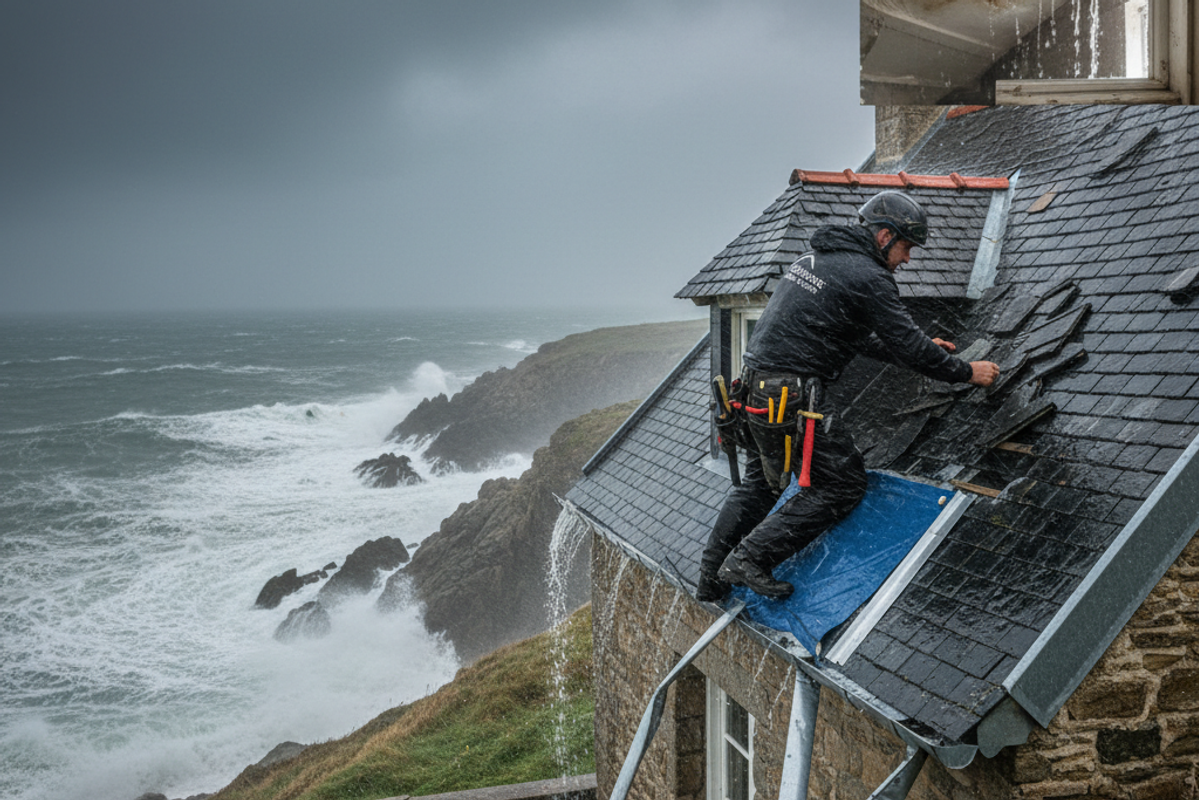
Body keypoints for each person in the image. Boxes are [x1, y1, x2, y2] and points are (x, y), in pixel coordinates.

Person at [696, 190, 1000, 602]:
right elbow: (907, 347)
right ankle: (750, 558)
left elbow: (860, 338)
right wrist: (967, 372)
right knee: (841, 484)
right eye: (906, 247)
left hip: (754, 388)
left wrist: (922, 343)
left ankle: (710, 579)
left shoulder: (815, 261)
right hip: (791, 394)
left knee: (760, 484)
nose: (907, 259)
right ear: (884, 237)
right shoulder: (870, 276)